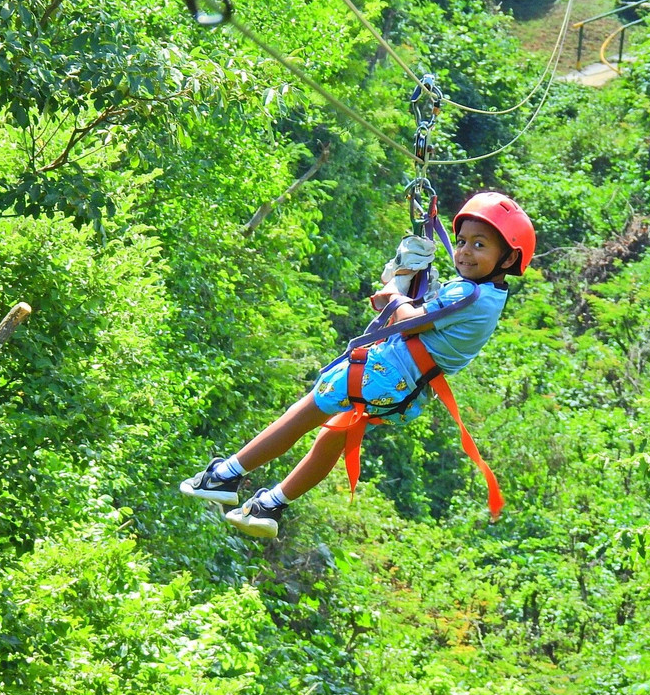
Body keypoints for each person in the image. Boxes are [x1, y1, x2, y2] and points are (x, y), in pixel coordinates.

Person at [180, 192, 536, 538]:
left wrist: (394, 295)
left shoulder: (468, 293)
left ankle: (226, 475)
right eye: (461, 242)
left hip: (382, 371)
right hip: (406, 390)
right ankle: (270, 506)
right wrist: (408, 287)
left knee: (304, 412)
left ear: (507, 259)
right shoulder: (490, 296)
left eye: (479, 245)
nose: (464, 252)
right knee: (334, 435)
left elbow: (410, 321)